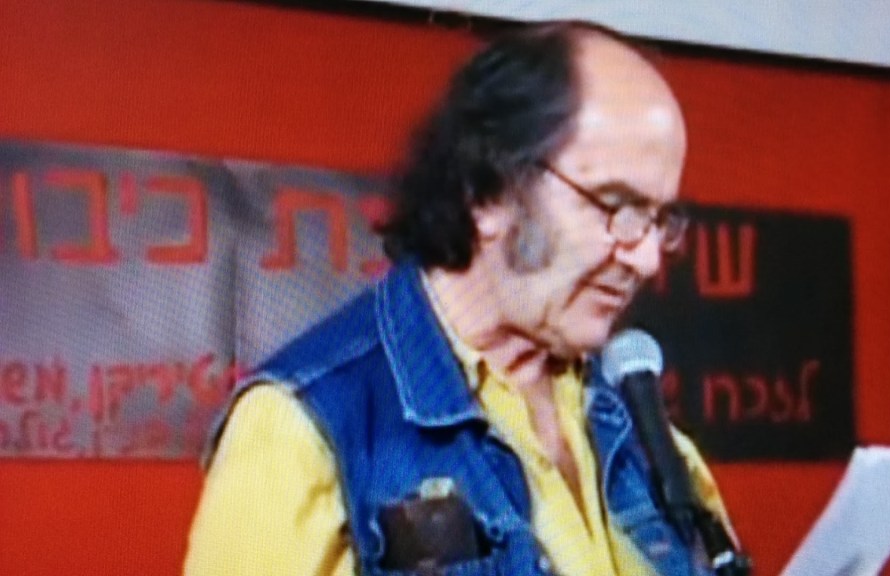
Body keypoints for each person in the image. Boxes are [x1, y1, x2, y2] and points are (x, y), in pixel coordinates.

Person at [185, 21, 738, 576]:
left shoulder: (639, 424)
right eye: (615, 207)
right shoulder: (297, 431)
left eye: (660, 219)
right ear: (488, 193)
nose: (648, 259)